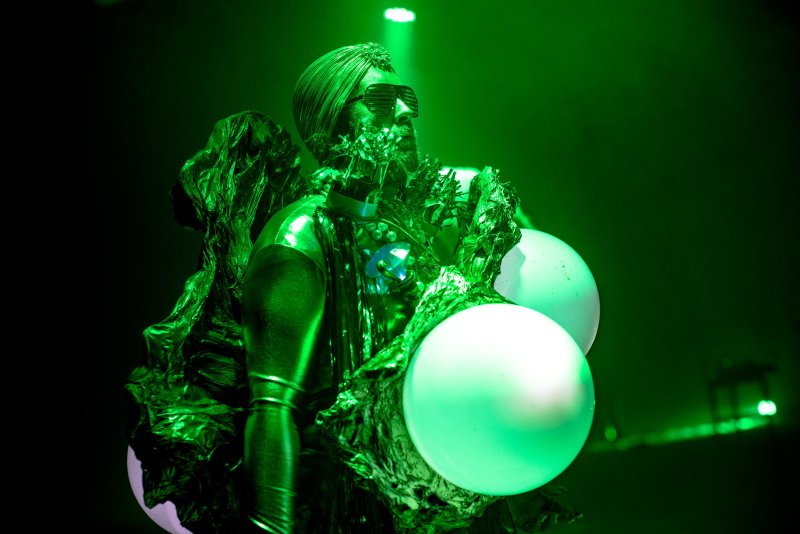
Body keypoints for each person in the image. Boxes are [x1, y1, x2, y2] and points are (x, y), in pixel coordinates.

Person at [126, 42, 576, 534]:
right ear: (330, 126)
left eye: (407, 98)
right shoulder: (300, 235)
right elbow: (273, 409)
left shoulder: (408, 234)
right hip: (342, 508)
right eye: (380, 101)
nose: (404, 112)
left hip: (423, 498)